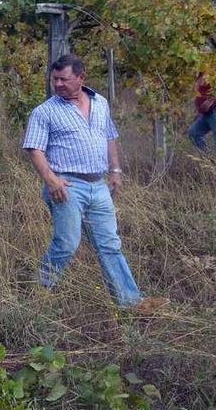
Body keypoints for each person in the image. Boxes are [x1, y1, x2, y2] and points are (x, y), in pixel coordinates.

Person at [23, 54, 166, 310]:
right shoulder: (45, 112)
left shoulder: (100, 103)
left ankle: (131, 302)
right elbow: (34, 149)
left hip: (98, 186)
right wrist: (51, 180)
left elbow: (109, 137)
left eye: (63, 79)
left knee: (109, 244)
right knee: (67, 243)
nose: (57, 84)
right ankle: (38, 294)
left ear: (81, 77)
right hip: (66, 186)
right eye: (54, 79)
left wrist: (116, 170)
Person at [188, 70, 216, 167]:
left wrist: (211, 100)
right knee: (194, 133)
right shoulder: (201, 68)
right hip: (206, 113)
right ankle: (210, 163)